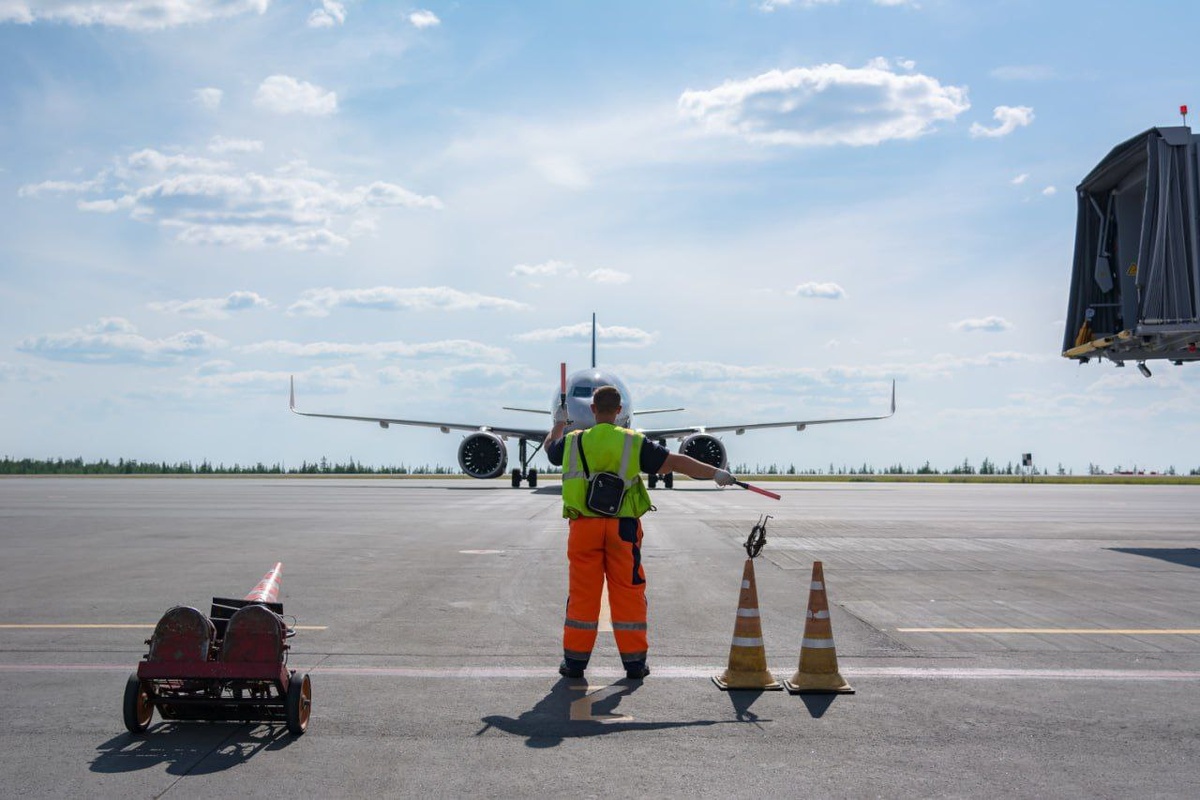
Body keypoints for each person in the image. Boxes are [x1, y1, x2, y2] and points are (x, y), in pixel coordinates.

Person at [544, 385, 735, 680]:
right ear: (619, 410)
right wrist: (715, 473)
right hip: (623, 527)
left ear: (593, 409)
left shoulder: (573, 440)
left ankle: (575, 663)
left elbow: (550, 450)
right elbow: (675, 462)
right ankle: (634, 664)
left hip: (583, 527)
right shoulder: (633, 441)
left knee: (582, 594)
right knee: (629, 593)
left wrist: (559, 422)